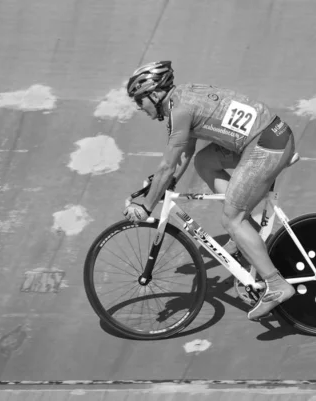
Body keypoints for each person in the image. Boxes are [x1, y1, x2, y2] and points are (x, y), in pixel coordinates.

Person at [122, 60, 296, 321]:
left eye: (139, 101)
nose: (139, 108)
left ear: (155, 94)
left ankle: (276, 284)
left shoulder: (179, 110)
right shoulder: (181, 98)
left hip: (266, 146)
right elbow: (184, 155)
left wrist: (146, 205)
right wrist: (160, 185)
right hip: (269, 135)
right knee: (204, 161)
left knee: (231, 219)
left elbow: (168, 165)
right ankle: (245, 232)